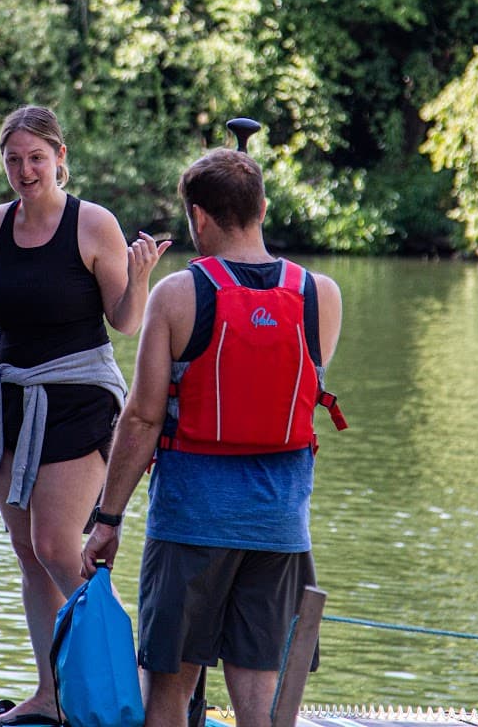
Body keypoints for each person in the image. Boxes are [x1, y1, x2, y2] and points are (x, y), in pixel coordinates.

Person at [81, 148, 347, 727]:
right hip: (280, 529)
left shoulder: (177, 294)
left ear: (198, 218)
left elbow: (142, 419)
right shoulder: (319, 295)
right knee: (260, 697)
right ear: (263, 209)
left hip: (189, 526)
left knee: (168, 692)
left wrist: (108, 519)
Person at [0, 105, 169, 726]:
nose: (25, 171)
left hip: (80, 401)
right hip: (11, 402)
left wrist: (139, 277)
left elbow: (125, 322)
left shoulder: (93, 224)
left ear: (60, 158)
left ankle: (130, 683)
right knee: (28, 553)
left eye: (36, 158)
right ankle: (52, 695)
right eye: (13, 160)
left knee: (56, 545)